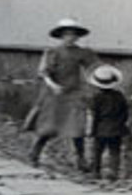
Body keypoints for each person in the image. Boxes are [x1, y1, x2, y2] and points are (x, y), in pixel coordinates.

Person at [24, 18, 99, 171]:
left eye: (73, 34)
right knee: (49, 127)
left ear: (77, 36)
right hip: (54, 94)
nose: (70, 37)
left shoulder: (82, 53)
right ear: (61, 36)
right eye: (67, 34)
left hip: (74, 93)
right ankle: (34, 154)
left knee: (77, 127)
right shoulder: (53, 52)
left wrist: (99, 80)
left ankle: (81, 160)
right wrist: (53, 85)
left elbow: (94, 67)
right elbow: (44, 73)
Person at [87, 64, 130, 181]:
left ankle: (96, 172)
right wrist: (121, 124)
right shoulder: (120, 96)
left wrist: (92, 130)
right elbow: (125, 113)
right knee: (114, 151)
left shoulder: (96, 97)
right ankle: (113, 171)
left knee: (97, 151)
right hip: (117, 129)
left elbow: (94, 116)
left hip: (101, 129)